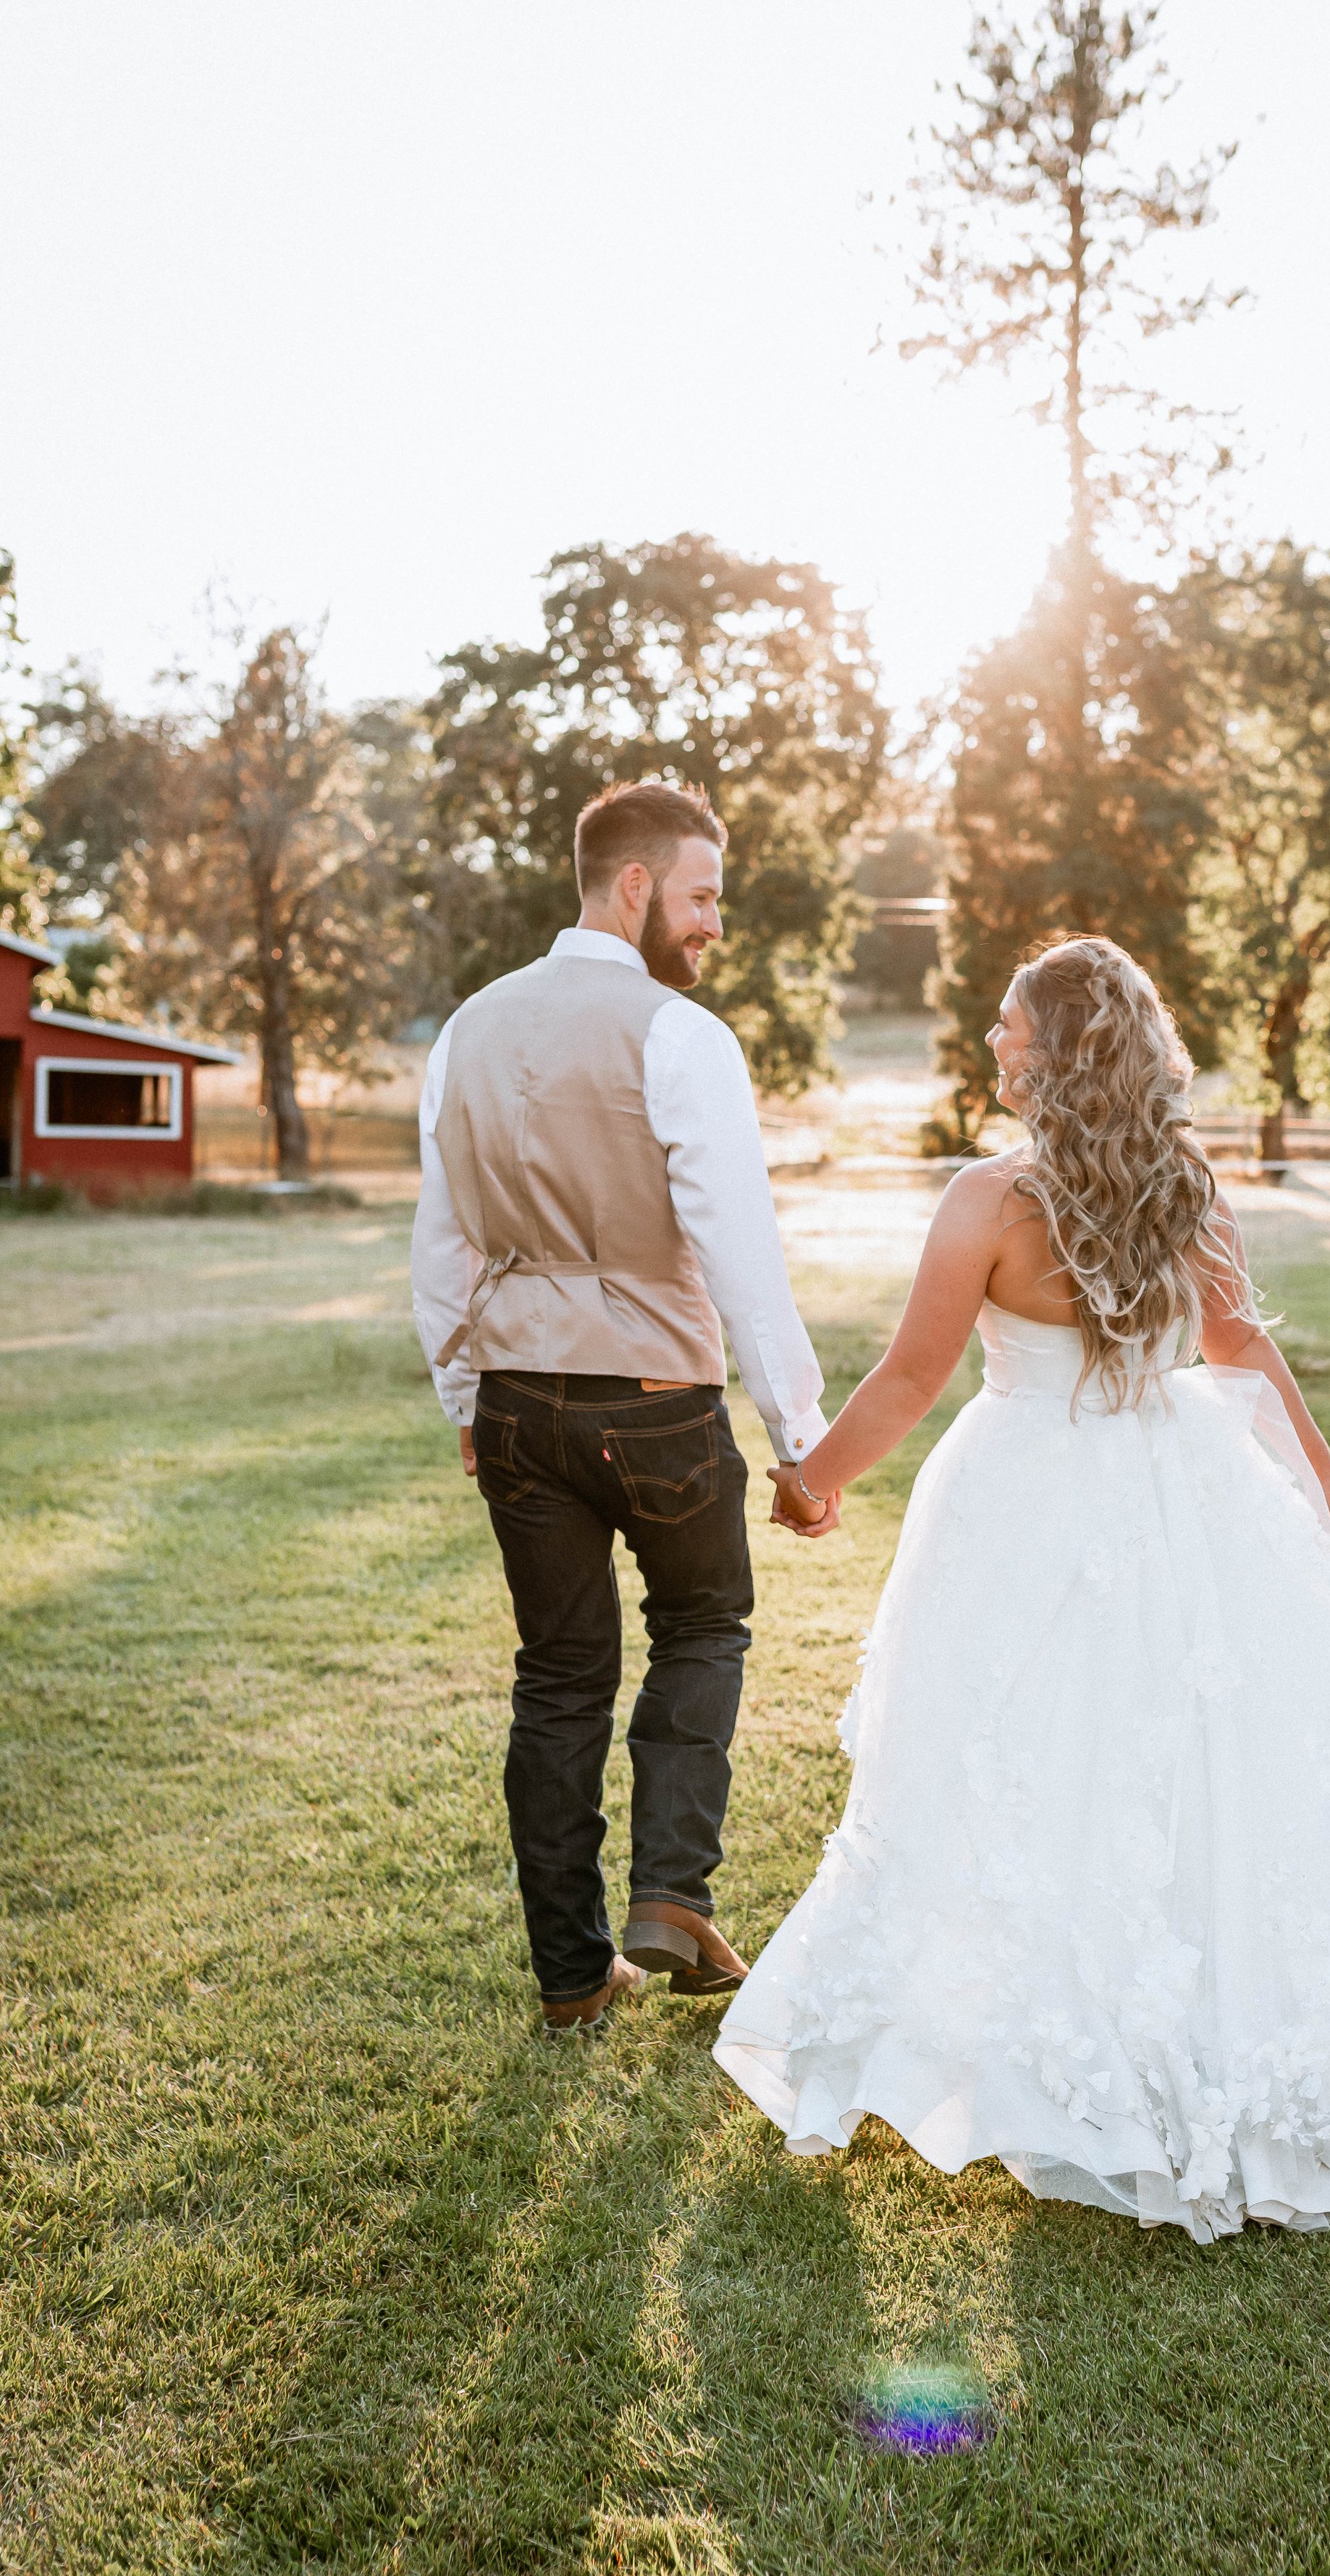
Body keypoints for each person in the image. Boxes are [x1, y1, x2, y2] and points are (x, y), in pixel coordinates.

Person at [716, 935, 1330, 2242]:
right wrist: (1326, 1495)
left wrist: (817, 1478)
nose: (992, 1042)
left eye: (1008, 1027)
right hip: (1186, 1487)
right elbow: (1239, 1346)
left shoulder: (990, 1201)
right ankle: (1152, 2030)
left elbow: (916, 1379)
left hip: (1029, 1496)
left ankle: (1082, 2048)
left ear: (1060, 1047)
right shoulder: (1185, 1187)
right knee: (1199, 1762)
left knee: (1033, 1758)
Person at [411, 780, 840, 2036]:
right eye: (703, 896)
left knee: (557, 1677)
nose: (713, 925)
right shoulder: (678, 1035)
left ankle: (571, 1974)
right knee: (705, 1620)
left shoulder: (466, 1031)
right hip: (654, 1395)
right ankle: (673, 1892)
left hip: (516, 1400)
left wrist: (462, 1396)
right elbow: (738, 1247)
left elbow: (441, 1244)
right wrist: (797, 1436)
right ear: (638, 884)